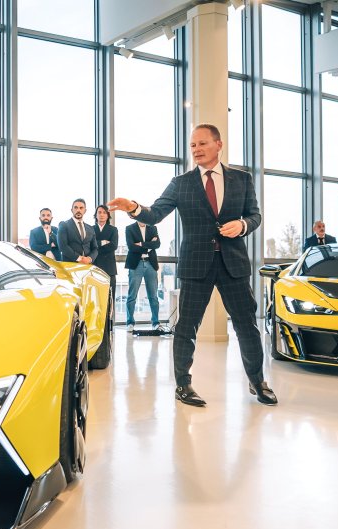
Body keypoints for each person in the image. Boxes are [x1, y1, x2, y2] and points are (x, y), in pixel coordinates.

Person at [108, 123, 276, 407]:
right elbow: (155, 213)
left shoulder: (242, 179)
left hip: (233, 264)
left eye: (202, 143)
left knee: (247, 326)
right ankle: (183, 385)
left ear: (218, 144)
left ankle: (257, 381)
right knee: (186, 327)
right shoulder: (181, 183)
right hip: (196, 264)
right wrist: (133, 208)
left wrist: (243, 225)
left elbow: (255, 215)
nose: (196, 149)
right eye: (192, 145)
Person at [124, 219, 160, 328]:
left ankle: (155, 322)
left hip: (151, 264)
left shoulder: (153, 228)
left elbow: (157, 244)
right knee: (132, 296)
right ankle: (130, 322)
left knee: (153, 296)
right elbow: (131, 247)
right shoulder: (130, 228)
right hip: (136, 264)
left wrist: (140, 244)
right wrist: (148, 247)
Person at [59, 198, 95, 264]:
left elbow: (95, 248)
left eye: (81, 208)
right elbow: (63, 246)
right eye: (75, 207)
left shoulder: (90, 228)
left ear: (85, 211)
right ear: (71, 210)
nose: (78, 210)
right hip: (70, 265)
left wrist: (89, 259)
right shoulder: (64, 225)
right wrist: (79, 258)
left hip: (87, 265)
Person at [91, 203, 118, 285]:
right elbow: (89, 245)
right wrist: (103, 242)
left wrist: (96, 247)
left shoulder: (113, 229)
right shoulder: (90, 229)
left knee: (110, 291)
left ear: (108, 215)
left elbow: (114, 245)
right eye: (99, 212)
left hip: (109, 266)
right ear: (96, 215)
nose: (101, 215)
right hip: (94, 265)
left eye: (104, 212)